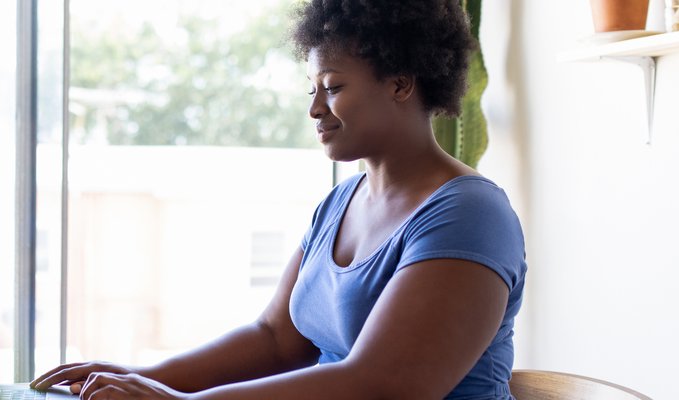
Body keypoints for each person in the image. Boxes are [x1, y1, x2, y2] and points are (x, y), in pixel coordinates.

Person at [31, 0, 527, 398]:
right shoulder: (340, 203)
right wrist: (147, 377)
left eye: (332, 87)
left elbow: (384, 385)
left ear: (401, 83)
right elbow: (274, 339)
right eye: (311, 88)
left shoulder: (469, 214)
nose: (314, 108)